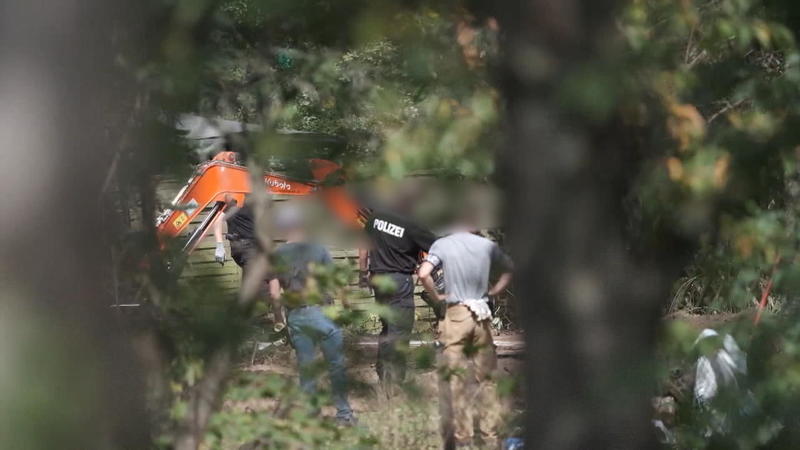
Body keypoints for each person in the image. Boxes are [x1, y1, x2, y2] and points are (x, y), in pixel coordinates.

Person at [417, 228, 513, 449]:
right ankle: (490, 438)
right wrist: (494, 292)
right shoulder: (486, 245)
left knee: (456, 379)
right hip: (482, 314)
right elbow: (509, 270)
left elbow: (423, 273)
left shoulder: (443, 244)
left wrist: (437, 297)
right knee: (488, 380)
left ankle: (464, 439)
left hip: (456, 313)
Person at [268, 207, 356, 425]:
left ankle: (310, 416)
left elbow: (273, 293)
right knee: (336, 365)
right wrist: (346, 308)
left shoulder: (277, 255)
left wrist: (280, 320)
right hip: (324, 313)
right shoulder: (319, 250)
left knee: (306, 367)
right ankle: (344, 415)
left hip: (297, 315)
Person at [359, 208, 437, 391]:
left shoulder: (377, 216)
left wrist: (363, 273)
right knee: (399, 332)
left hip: (377, 278)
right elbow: (438, 247)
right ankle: (394, 385)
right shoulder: (412, 223)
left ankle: (384, 378)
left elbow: (363, 245)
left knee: (387, 329)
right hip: (398, 281)